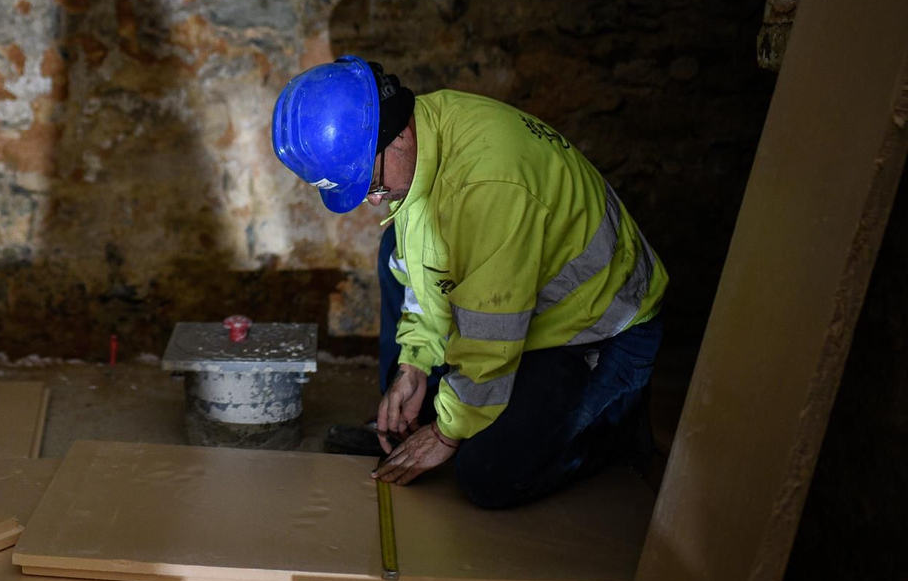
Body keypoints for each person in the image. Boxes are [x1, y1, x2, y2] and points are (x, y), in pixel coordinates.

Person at [272, 57, 666, 507]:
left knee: (487, 475)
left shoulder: (488, 188)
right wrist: (413, 366)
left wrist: (447, 432)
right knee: (392, 253)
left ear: (395, 135)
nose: (369, 200)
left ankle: (613, 423)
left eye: (371, 184)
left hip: (600, 330)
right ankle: (414, 415)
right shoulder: (423, 137)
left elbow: (490, 337)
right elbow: (427, 273)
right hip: (531, 310)